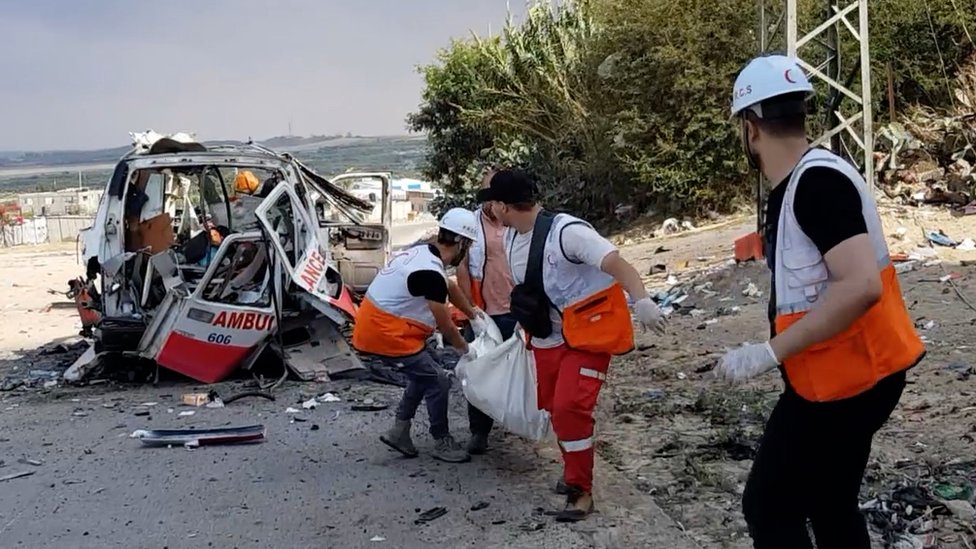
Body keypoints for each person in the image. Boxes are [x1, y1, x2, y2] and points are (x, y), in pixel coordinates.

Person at [716, 54, 925, 549]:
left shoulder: (816, 184)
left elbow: (860, 285)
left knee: (769, 506)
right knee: (830, 500)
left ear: (750, 129)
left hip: (846, 379)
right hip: (853, 370)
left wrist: (771, 352)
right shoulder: (806, 181)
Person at [477, 169, 666, 522]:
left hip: (587, 337)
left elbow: (617, 264)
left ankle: (581, 491)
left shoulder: (568, 233)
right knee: (555, 410)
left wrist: (642, 299)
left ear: (503, 206)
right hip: (547, 338)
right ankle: (573, 472)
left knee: (569, 409)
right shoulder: (512, 237)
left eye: (491, 204)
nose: (488, 210)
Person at [352, 207, 484, 463]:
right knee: (438, 380)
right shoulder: (429, 273)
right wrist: (465, 349)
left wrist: (473, 314)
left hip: (383, 328)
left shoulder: (424, 253)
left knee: (424, 372)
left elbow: (449, 285)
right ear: (462, 243)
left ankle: (399, 431)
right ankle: (441, 440)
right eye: (468, 246)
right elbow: (445, 325)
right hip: (386, 334)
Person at [456, 168, 518, 455]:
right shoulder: (471, 224)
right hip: (484, 311)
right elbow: (462, 266)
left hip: (518, 309)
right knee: (479, 371)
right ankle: (479, 432)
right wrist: (470, 309)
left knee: (519, 369)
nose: (491, 202)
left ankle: (520, 420)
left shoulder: (518, 220)